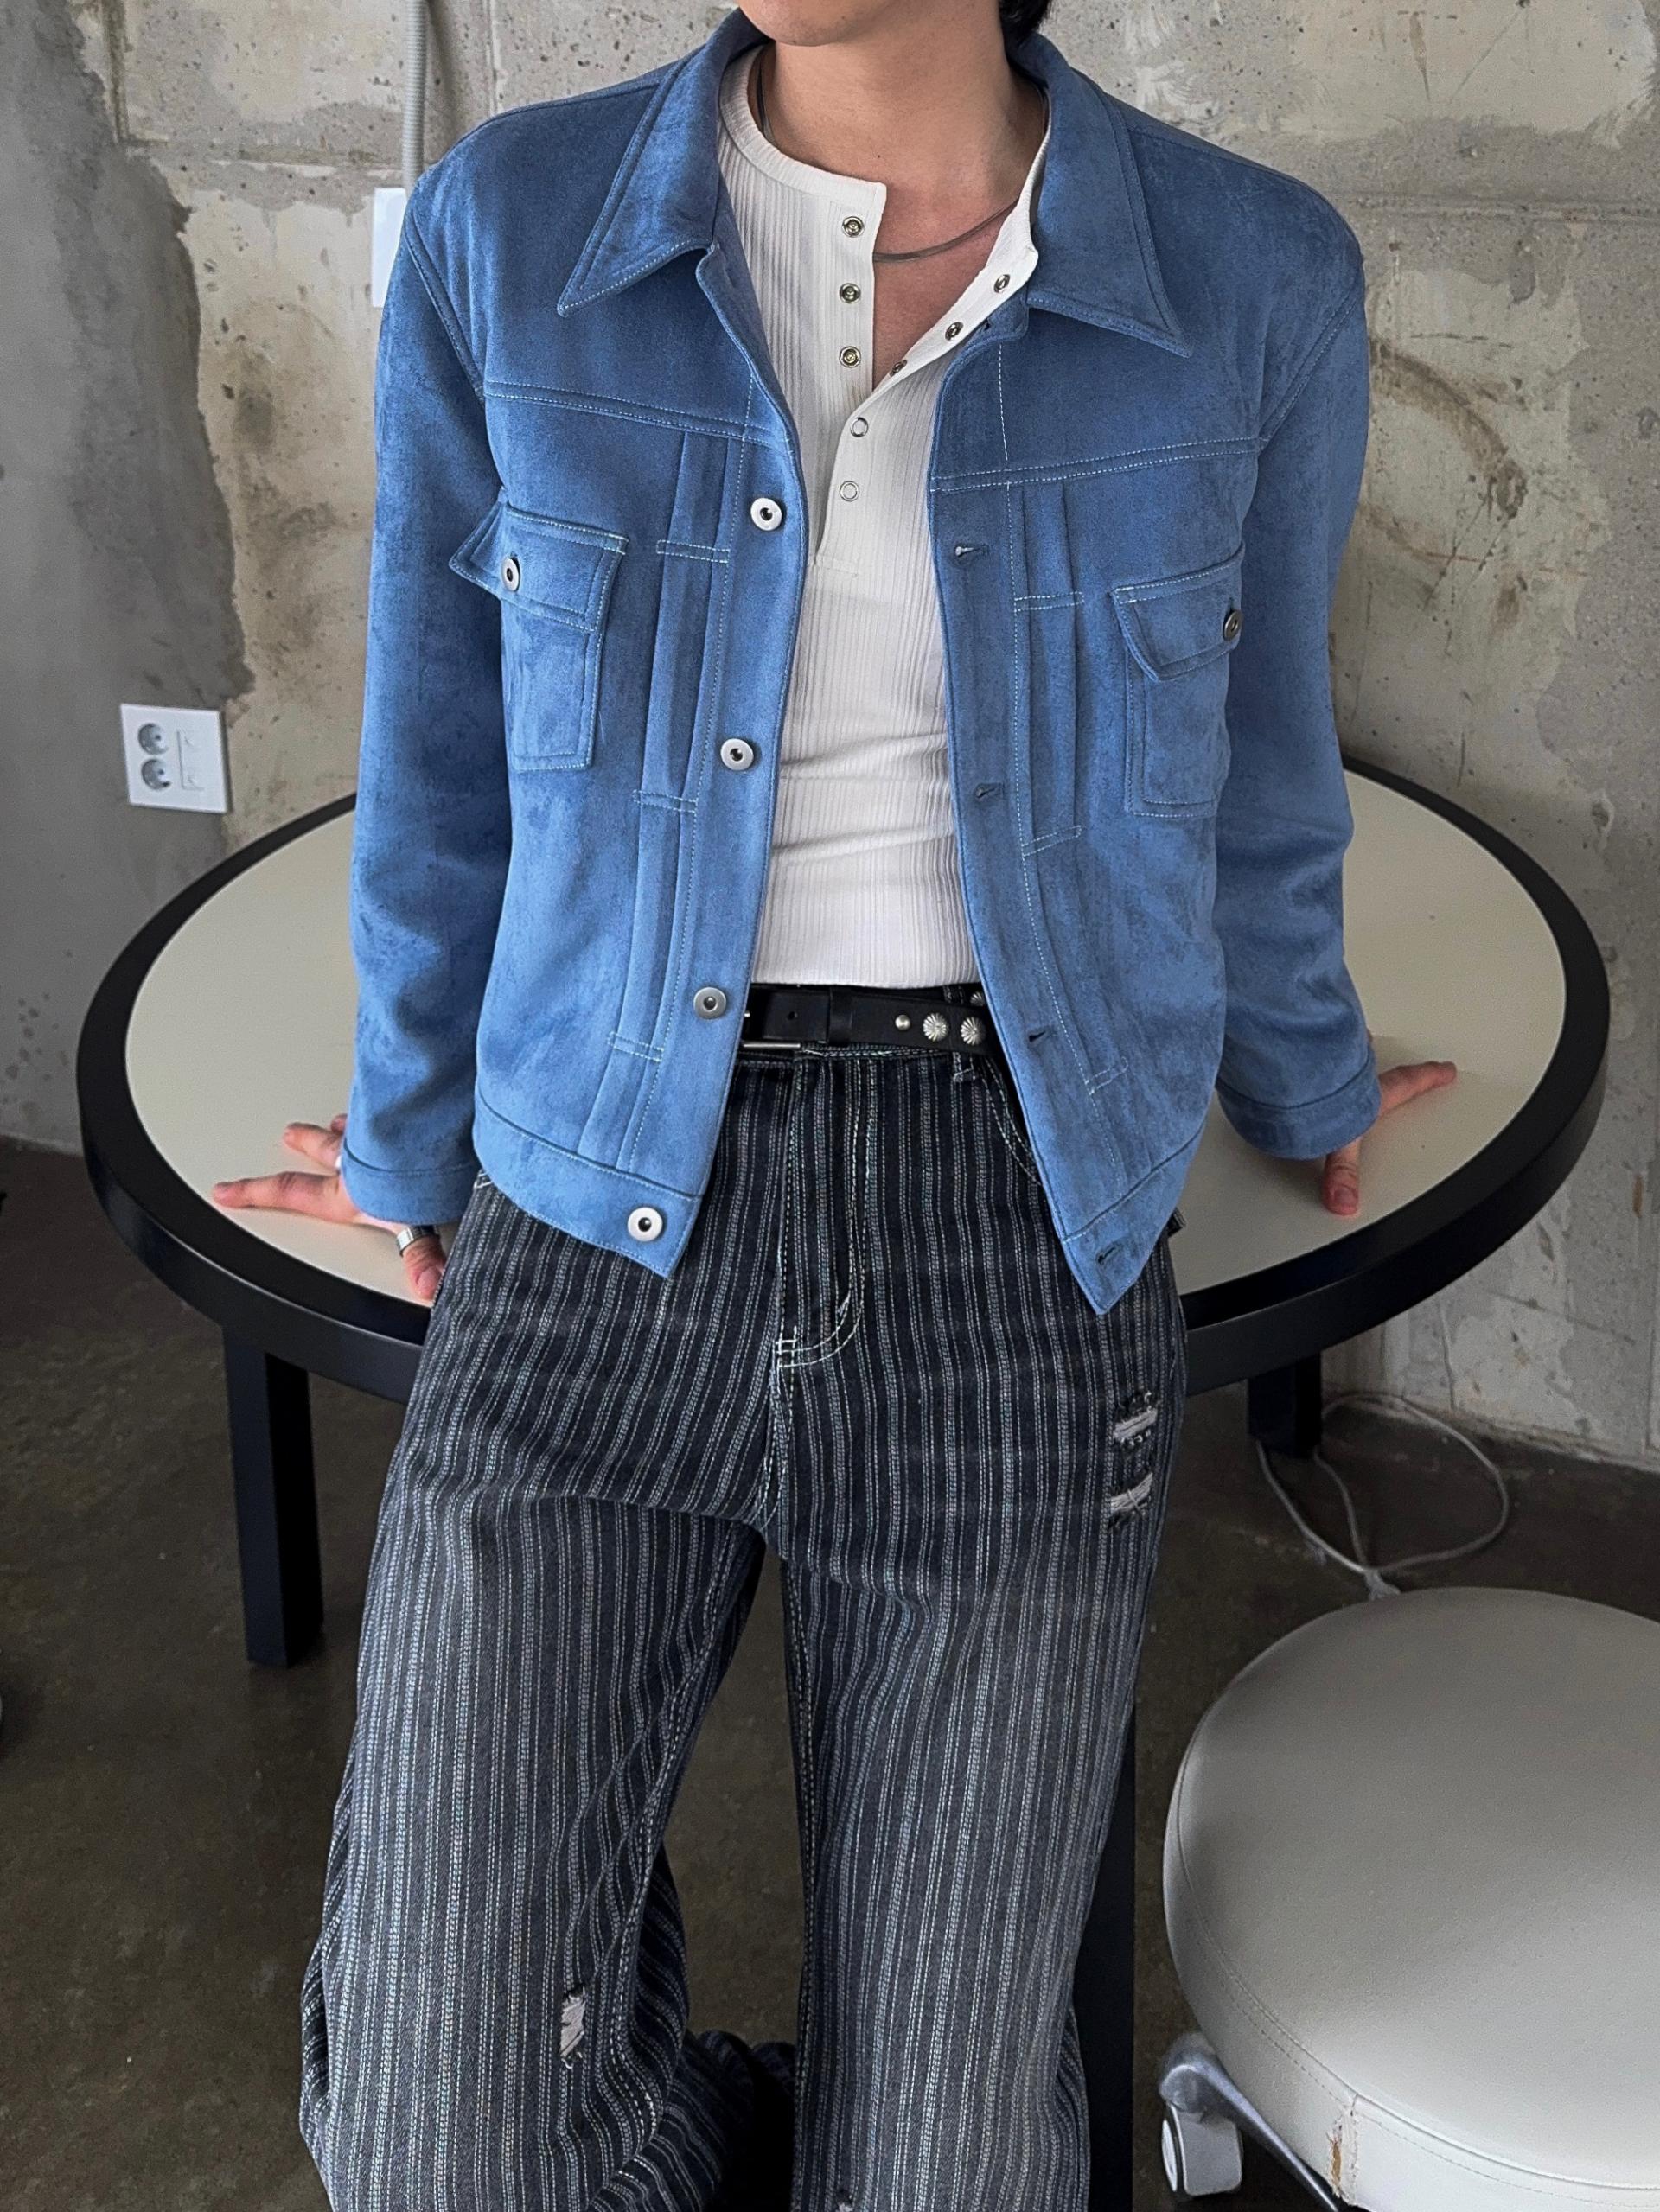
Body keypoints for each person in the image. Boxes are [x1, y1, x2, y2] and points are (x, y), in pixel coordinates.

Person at [214, 1, 1456, 2202]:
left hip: (1015, 1208)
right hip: (597, 1197)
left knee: (952, 2163)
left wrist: (1305, 1066)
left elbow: (1263, 760)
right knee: (433, 2129)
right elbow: (438, 760)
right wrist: (406, 1128)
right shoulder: (515, 230)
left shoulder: (1250, 274)